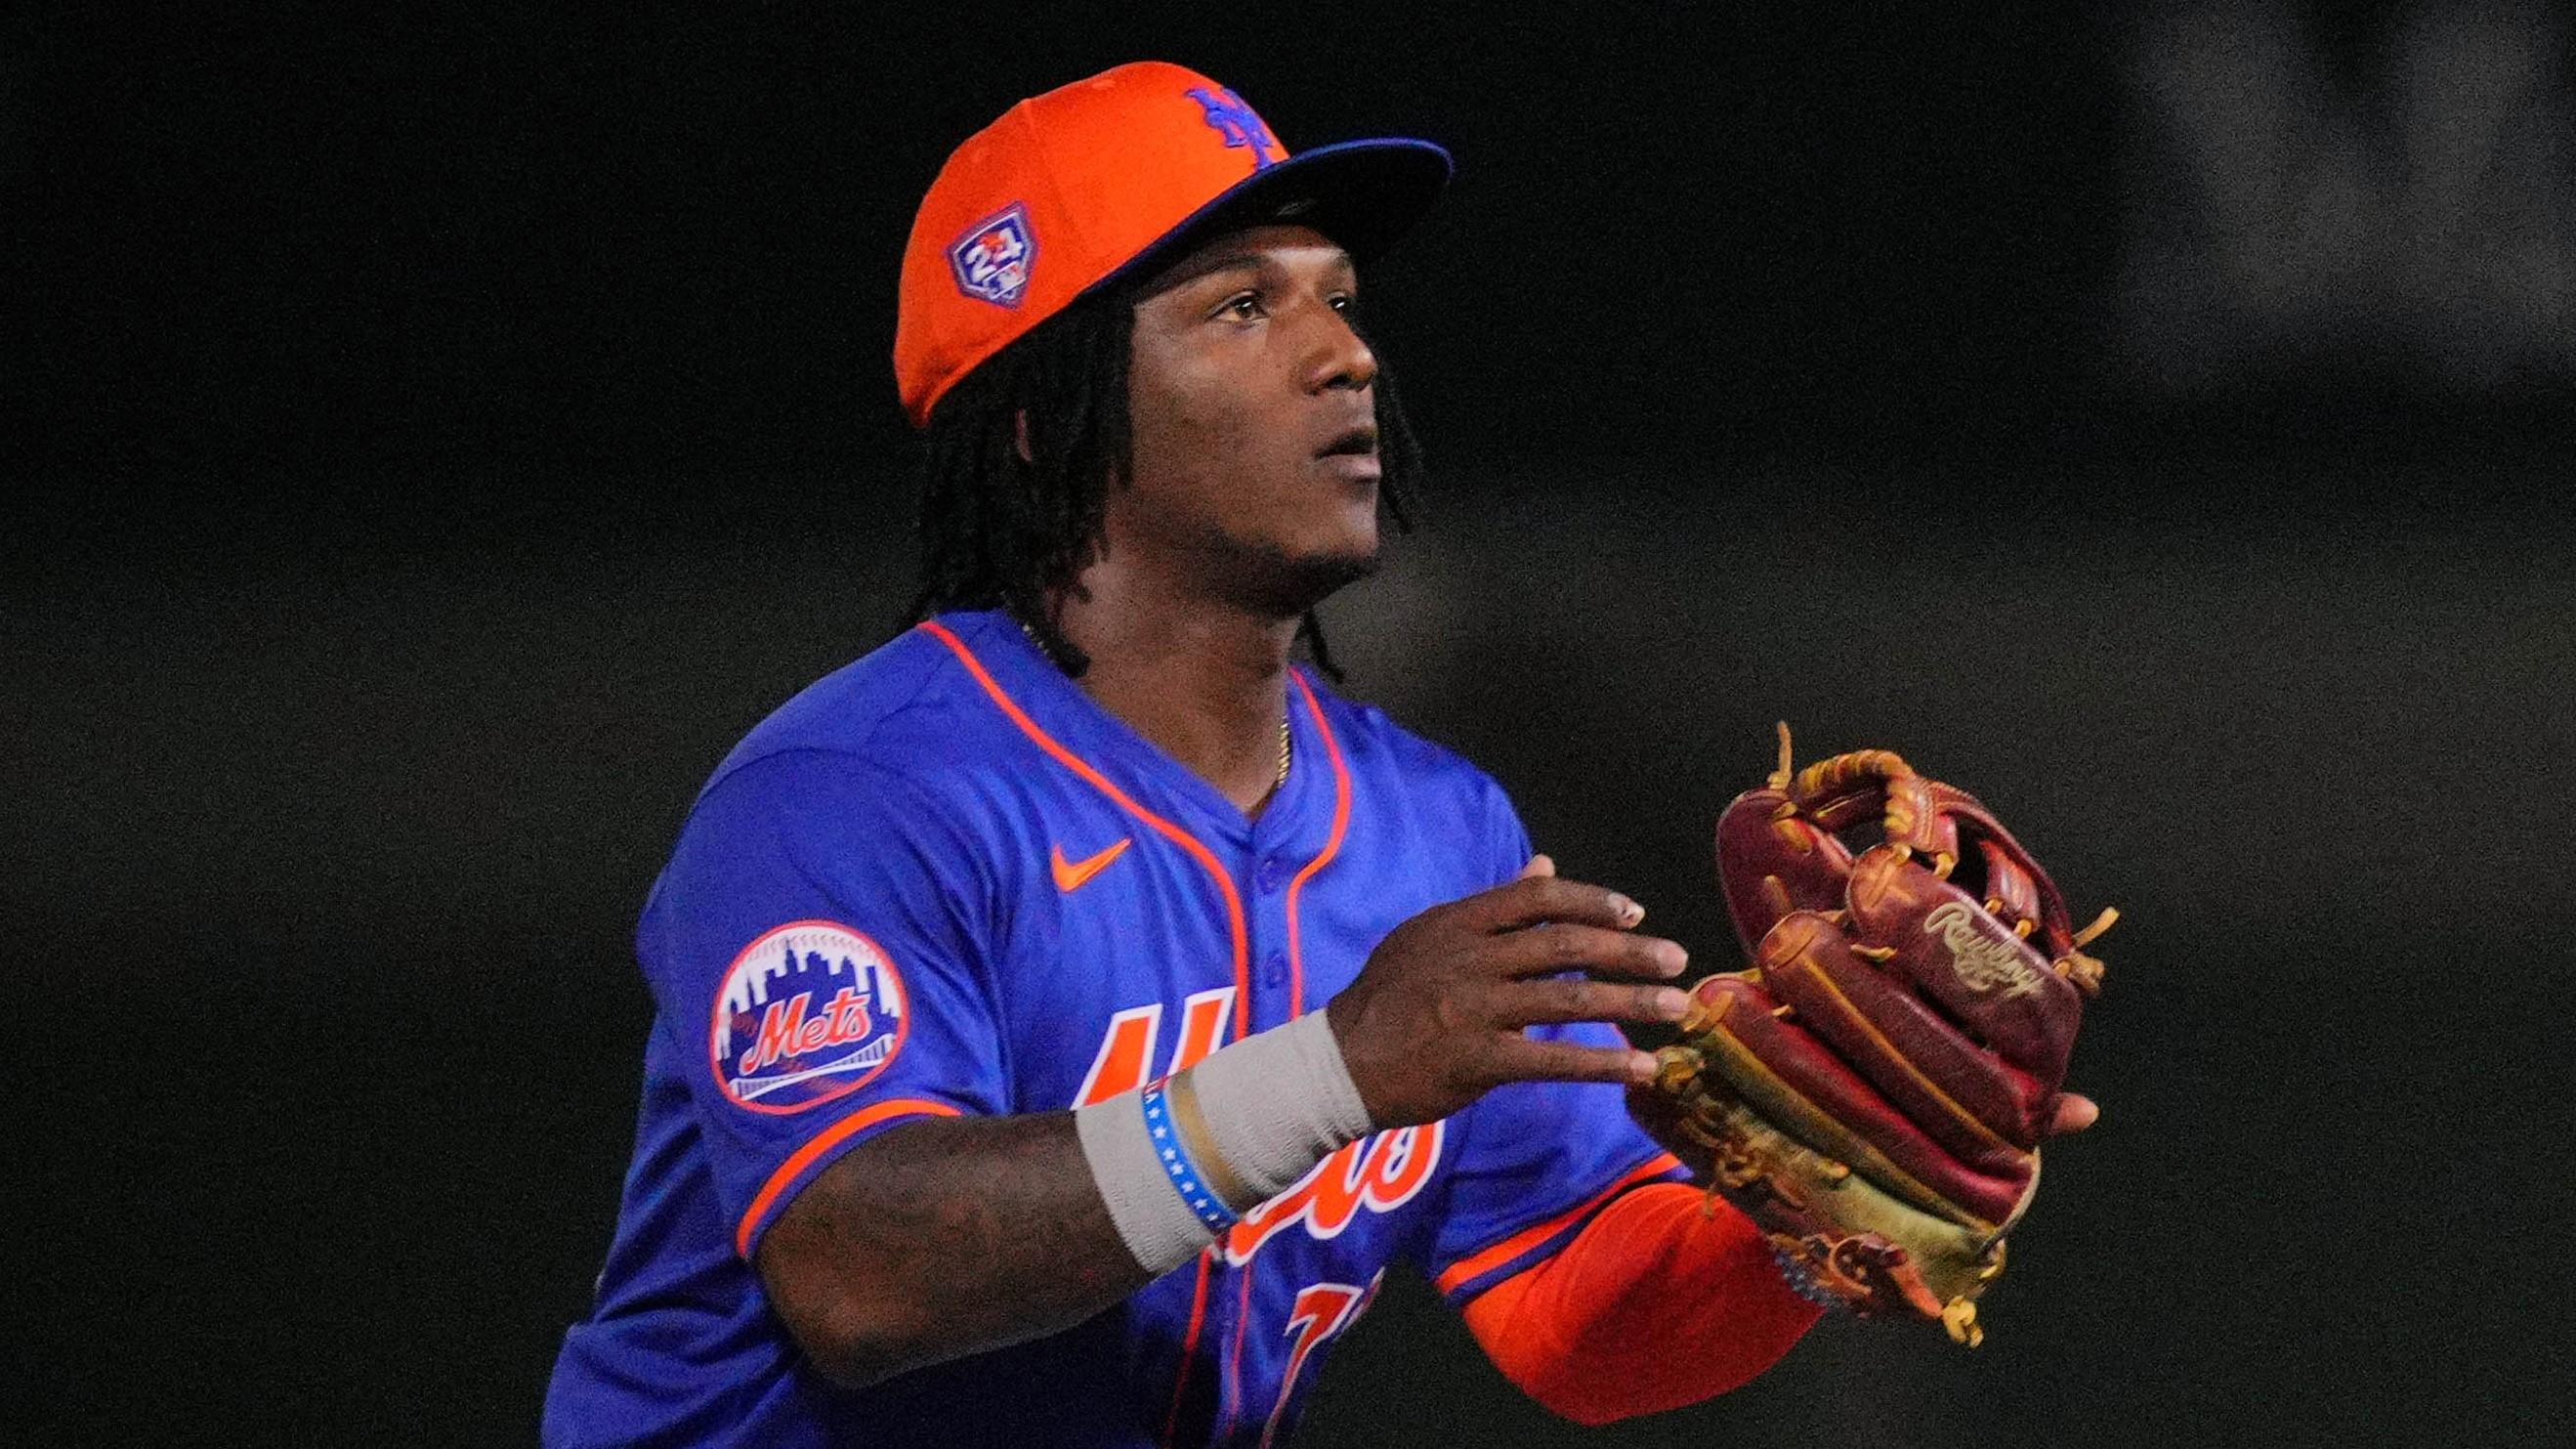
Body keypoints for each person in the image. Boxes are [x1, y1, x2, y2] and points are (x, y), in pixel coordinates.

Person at [542, 62, 1830, 1448]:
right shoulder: (855, 794)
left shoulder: (1428, 829)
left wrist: (1829, 1204)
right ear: (1041, 421)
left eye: (1337, 297)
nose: (1342, 354)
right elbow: (856, 1275)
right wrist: (1332, 1072)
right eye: (1238, 307)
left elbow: (1582, 1306)